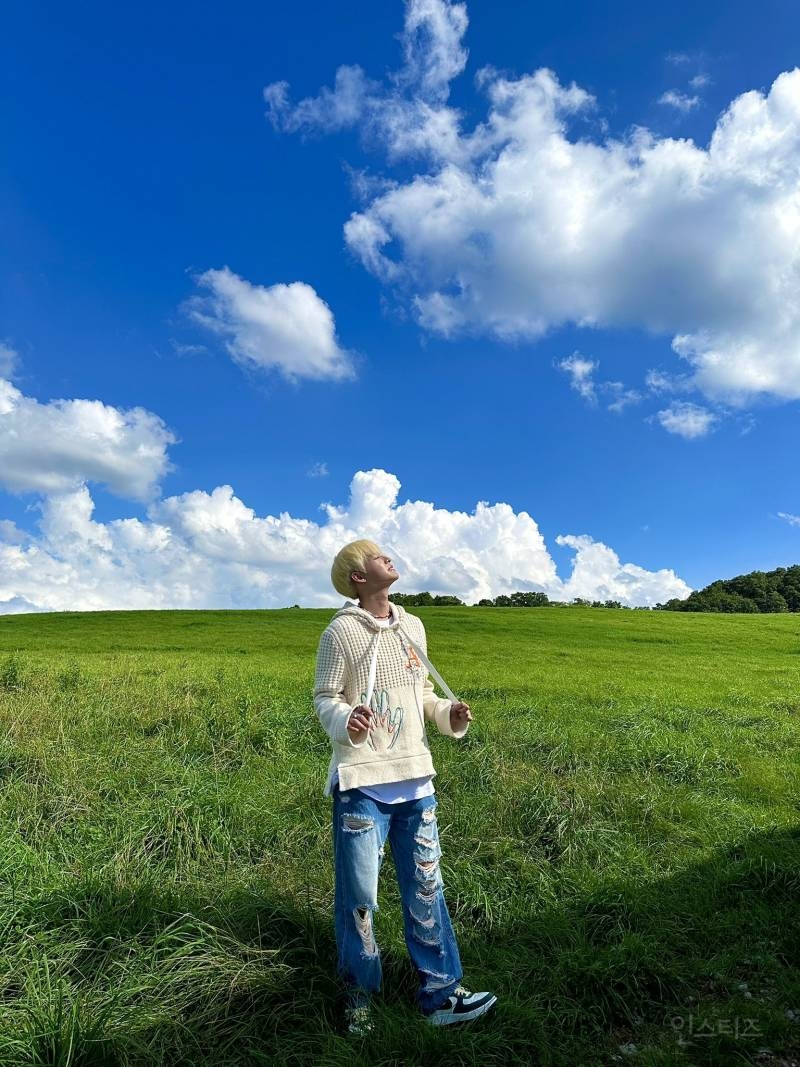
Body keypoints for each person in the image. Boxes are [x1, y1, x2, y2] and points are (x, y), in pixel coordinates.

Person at [313, 539, 497, 1035]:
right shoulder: (340, 633)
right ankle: (359, 999)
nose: (387, 558)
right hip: (362, 786)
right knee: (360, 899)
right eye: (376, 556)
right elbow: (325, 695)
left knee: (427, 889)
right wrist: (345, 718)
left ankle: (441, 994)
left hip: (417, 783)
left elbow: (421, 693)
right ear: (357, 576)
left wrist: (446, 713)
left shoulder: (413, 626)